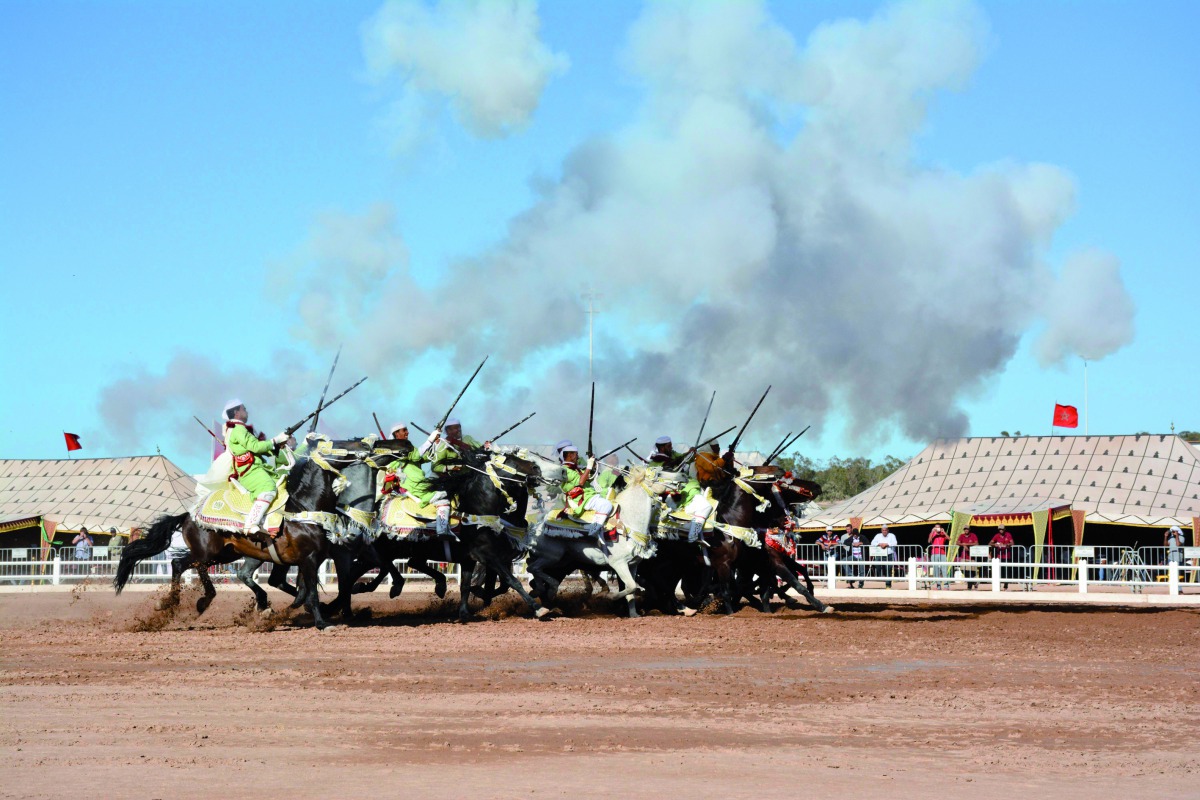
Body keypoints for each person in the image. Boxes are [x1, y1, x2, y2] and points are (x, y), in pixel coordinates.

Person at [222, 399, 291, 542]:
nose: (246, 411)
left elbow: (259, 449)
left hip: (257, 468)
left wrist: (277, 445)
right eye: (244, 409)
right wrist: (275, 441)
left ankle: (268, 522)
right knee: (268, 488)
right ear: (236, 412)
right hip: (250, 470)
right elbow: (255, 447)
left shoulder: (239, 429)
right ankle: (251, 523)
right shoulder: (238, 429)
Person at [557, 441, 614, 546]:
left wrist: (591, 467)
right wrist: (588, 467)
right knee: (606, 505)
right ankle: (594, 531)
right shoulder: (564, 470)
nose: (578, 456)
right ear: (570, 455)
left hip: (589, 495)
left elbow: (587, 477)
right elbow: (581, 482)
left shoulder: (574, 468)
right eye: (576, 454)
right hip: (580, 498)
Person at [989, 525, 1015, 589]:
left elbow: (1012, 543)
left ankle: (1006, 585)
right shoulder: (996, 535)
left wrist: (1008, 544)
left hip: (1007, 556)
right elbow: (990, 543)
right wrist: (995, 544)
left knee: (1006, 571)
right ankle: (998, 585)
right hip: (998, 556)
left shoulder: (1008, 534)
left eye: (1002, 529)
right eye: (1000, 529)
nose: (1001, 530)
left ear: (1004, 529)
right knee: (999, 571)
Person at [928, 524, 950, 589]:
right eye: (936, 527)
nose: (937, 529)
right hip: (934, 553)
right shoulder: (932, 533)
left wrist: (944, 532)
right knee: (936, 569)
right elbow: (929, 541)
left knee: (944, 568)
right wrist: (932, 532)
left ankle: (946, 585)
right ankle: (938, 585)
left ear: (940, 528)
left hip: (942, 553)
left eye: (938, 527)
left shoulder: (943, 533)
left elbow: (949, 539)